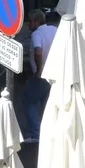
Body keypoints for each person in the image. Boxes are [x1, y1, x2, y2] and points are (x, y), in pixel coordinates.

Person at [23, 10, 57, 143]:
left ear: (37, 21)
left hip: (42, 75)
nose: (28, 24)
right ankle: (49, 129)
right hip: (55, 72)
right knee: (46, 102)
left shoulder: (36, 34)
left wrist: (39, 69)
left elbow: (38, 51)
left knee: (29, 102)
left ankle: (35, 134)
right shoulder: (54, 29)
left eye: (30, 21)